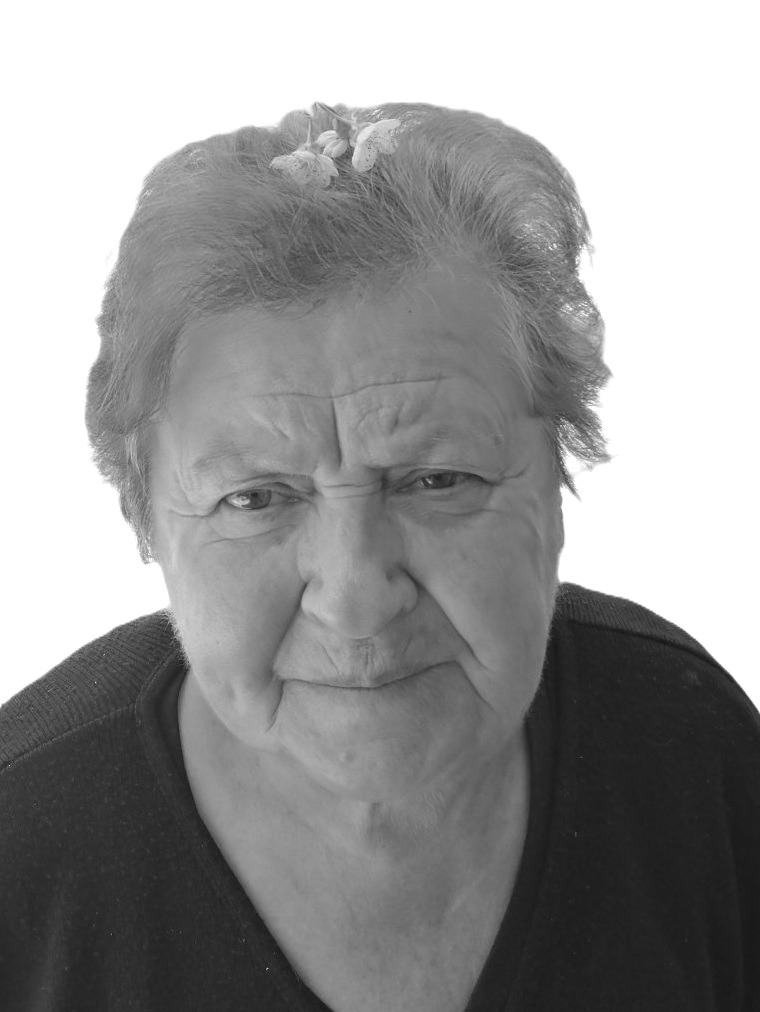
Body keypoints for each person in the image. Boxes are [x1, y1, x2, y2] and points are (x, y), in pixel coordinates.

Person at [1, 101, 757, 1012]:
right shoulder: (22, 843)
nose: (357, 598)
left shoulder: (693, 755)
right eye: (258, 497)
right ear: (144, 518)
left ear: (556, 479)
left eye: (437, 480)